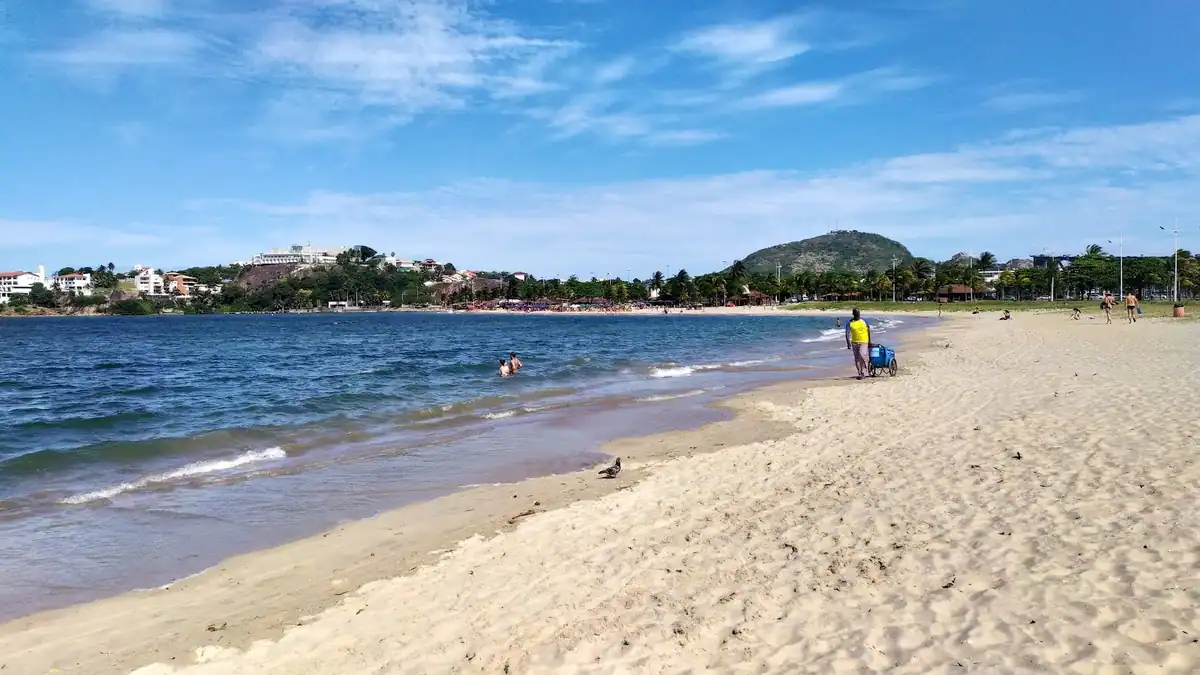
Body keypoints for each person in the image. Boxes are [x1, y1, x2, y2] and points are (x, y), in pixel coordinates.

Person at [844, 308, 871, 380]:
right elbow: (847, 333)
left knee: (862, 355)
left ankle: (863, 370)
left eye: (859, 313)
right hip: (855, 342)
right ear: (853, 314)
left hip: (864, 341)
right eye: (856, 313)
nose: (858, 315)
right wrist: (848, 342)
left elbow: (868, 330)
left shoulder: (864, 321)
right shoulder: (850, 322)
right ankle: (860, 373)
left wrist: (869, 341)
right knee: (857, 359)